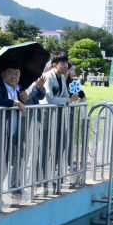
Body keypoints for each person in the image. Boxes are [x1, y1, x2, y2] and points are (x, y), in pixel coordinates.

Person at [0, 63, 44, 203]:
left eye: (17, 73)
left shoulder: (19, 88)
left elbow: (32, 100)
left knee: (4, 165)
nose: (14, 76)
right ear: (3, 73)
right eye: (10, 73)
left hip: (12, 133)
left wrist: (23, 98)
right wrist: (16, 103)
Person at [41, 52, 80, 189]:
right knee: (44, 148)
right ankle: (41, 178)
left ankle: (50, 177)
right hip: (45, 115)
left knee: (55, 146)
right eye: (62, 63)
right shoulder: (48, 77)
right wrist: (67, 100)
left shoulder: (62, 79)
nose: (65, 66)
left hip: (56, 116)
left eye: (66, 63)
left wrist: (69, 99)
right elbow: (50, 98)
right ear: (54, 65)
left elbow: (63, 95)